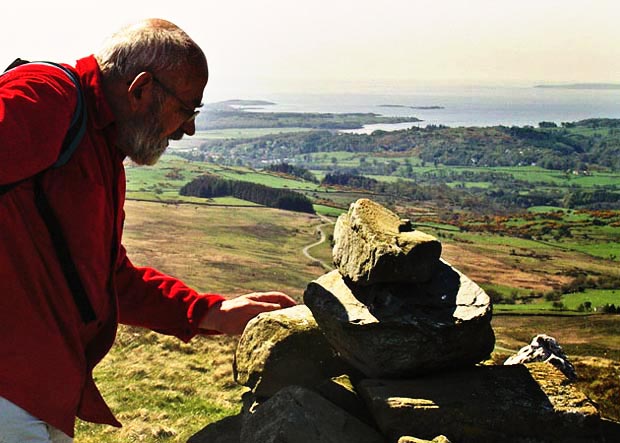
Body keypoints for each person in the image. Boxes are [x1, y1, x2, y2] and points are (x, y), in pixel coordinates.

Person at [0, 18, 296, 442]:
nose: (189, 128)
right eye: (187, 109)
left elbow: (106, 278)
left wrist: (209, 312)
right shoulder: (45, 97)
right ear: (140, 90)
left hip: (40, 397)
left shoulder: (98, 145)